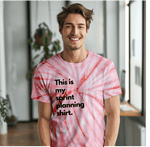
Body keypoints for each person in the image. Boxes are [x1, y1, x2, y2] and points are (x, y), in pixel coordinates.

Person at [31, 3, 122, 147]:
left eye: (80, 26)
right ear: (60, 29)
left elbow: (113, 113)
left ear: (87, 30)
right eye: (69, 26)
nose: (75, 32)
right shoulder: (44, 70)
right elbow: (43, 118)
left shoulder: (105, 67)